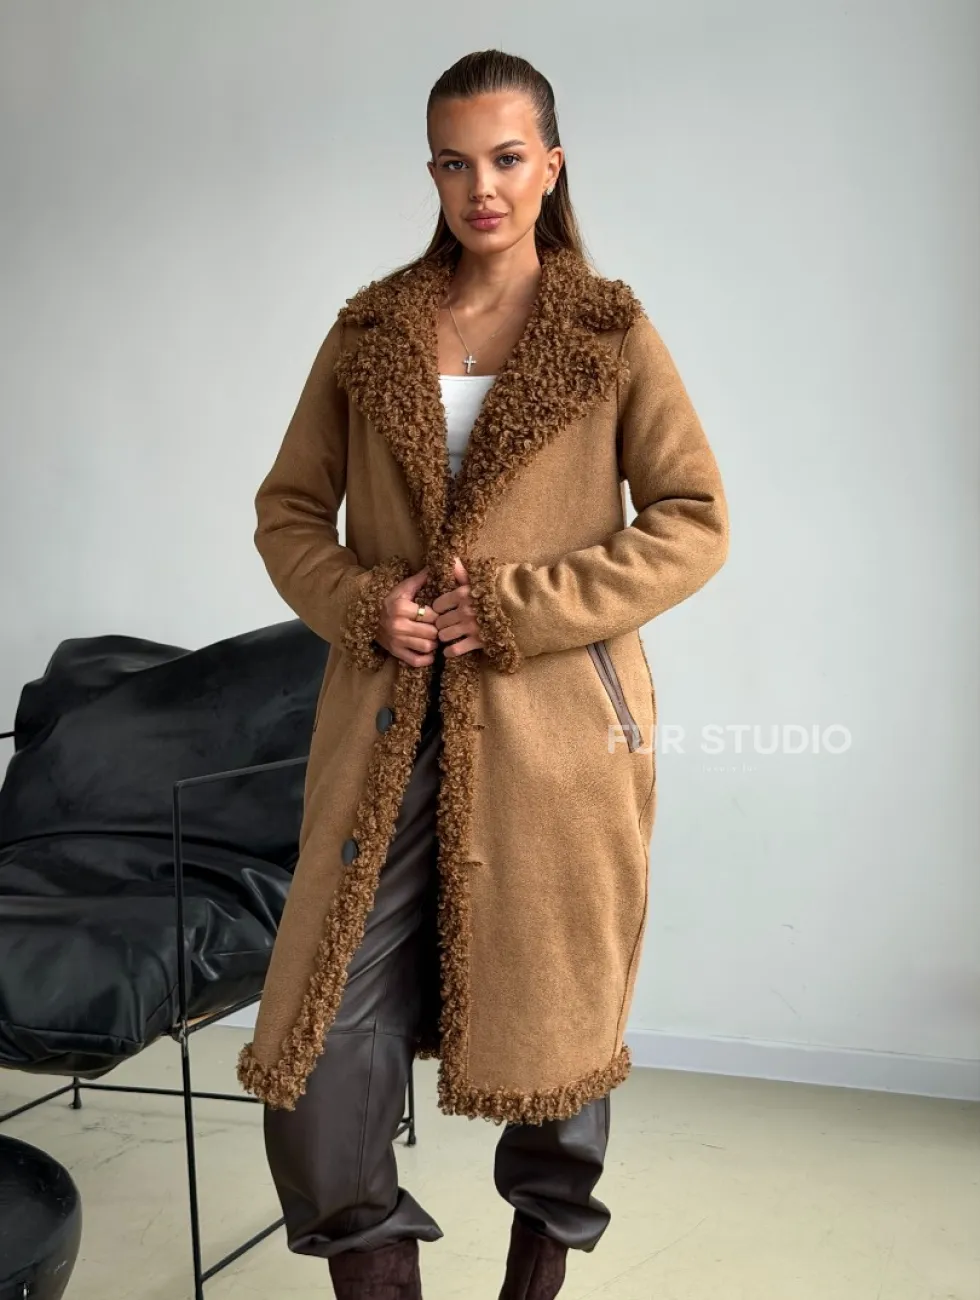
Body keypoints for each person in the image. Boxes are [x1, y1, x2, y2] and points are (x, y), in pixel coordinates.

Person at [239, 47, 729, 1300]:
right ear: (432, 175)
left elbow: (692, 519)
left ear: (550, 165)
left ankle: (533, 1279)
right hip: (384, 728)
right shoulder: (369, 332)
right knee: (316, 1047)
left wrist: (518, 607)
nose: (483, 188)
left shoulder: (606, 330)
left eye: (507, 159)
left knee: (559, 1036)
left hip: (557, 736)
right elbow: (287, 513)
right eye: (455, 164)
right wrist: (365, 603)